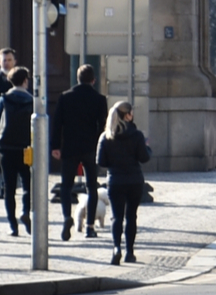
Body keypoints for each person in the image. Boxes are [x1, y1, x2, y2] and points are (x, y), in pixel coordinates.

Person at [54, 63, 108, 240]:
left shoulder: (65, 97)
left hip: (69, 147)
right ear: (93, 80)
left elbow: (57, 124)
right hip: (90, 148)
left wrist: (55, 146)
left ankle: (67, 217)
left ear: (77, 78)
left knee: (66, 186)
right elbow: (103, 126)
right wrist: (98, 144)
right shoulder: (99, 99)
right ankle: (90, 227)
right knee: (92, 187)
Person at [94, 100, 149, 264]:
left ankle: (116, 248)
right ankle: (129, 252)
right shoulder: (137, 135)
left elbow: (101, 161)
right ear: (128, 115)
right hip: (134, 180)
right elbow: (144, 158)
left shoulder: (106, 136)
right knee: (131, 216)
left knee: (116, 217)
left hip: (115, 180)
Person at [0, 67, 35, 234]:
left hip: (6, 148)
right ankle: (25, 211)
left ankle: (12, 225)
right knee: (28, 184)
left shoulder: (3, 100)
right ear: (25, 81)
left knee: (9, 187)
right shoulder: (32, 101)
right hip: (25, 149)